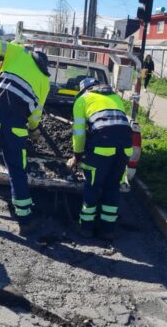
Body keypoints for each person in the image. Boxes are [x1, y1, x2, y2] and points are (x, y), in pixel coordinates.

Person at [0, 38, 50, 235]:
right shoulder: (44, 81)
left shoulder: (19, 52)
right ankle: (24, 222)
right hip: (17, 127)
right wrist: (34, 131)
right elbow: (35, 117)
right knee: (17, 172)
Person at [67, 77, 132, 240]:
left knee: (93, 187)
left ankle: (86, 227)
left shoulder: (82, 100)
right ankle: (108, 230)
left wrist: (77, 156)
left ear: (84, 90)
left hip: (102, 147)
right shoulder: (115, 97)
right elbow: (118, 124)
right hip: (125, 147)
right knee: (112, 186)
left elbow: (79, 133)